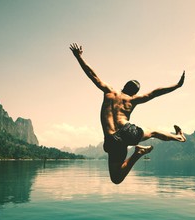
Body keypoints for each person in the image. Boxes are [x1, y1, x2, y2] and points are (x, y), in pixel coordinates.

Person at [70, 43, 186, 184]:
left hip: (111, 139)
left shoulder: (109, 92)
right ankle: (178, 138)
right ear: (135, 92)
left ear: (124, 86)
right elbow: (155, 93)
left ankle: (138, 153)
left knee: (116, 179)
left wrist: (79, 57)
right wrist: (177, 85)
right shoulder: (132, 99)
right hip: (128, 132)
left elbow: (92, 75)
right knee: (154, 132)